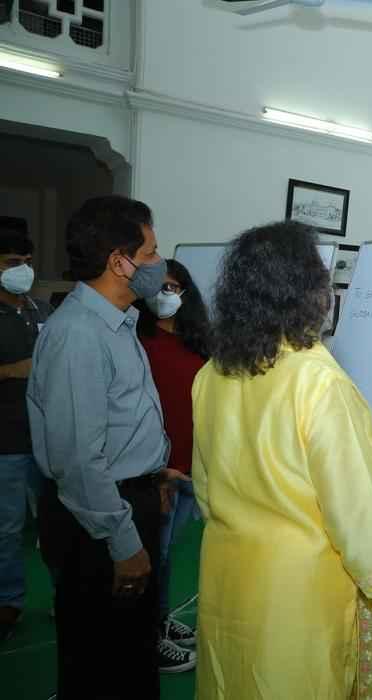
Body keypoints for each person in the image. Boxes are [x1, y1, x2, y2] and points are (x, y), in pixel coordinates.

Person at [191, 221, 372, 700]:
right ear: (309, 292)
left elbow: (206, 488)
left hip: (227, 572)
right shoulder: (320, 382)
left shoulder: (212, 373)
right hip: (298, 589)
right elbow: (354, 511)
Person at [27, 195, 188, 699]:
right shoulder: (79, 333)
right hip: (97, 518)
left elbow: (115, 423)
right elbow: (77, 461)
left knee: (130, 655)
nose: (158, 263)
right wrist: (123, 542)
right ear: (120, 262)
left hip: (124, 499)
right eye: (150, 252)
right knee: (102, 663)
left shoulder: (116, 322)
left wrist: (153, 474)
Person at [135, 258, 211, 672]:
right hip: (156, 470)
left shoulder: (198, 340)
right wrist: (156, 473)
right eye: (159, 287)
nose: (166, 296)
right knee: (155, 554)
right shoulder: (136, 338)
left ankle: (160, 620)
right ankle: (148, 637)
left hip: (191, 465)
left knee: (168, 555)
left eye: (173, 288)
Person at [0, 229, 52, 643]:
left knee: (61, 523)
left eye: (27, 262)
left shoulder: (43, 310)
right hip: (7, 440)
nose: (22, 270)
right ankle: (8, 601)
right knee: (8, 529)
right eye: (11, 263)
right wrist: (10, 371)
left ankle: (66, 595)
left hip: (50, 439)